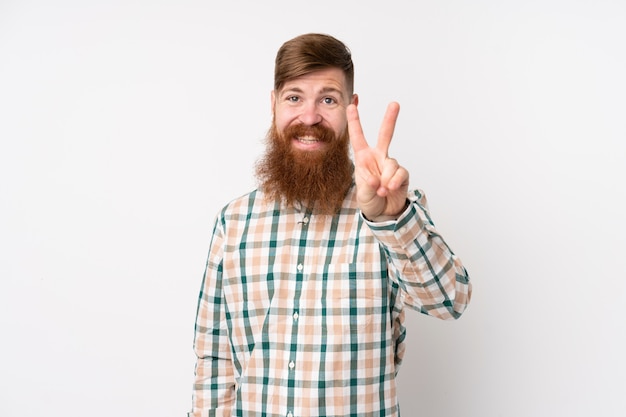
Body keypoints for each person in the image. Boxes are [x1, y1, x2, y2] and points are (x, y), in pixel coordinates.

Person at [187, 33, 472, 417]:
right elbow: (214, 360)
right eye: (294, 97)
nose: (309, 117)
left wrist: (389, 218)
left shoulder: (393, 211)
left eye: (328, 99)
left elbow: (449, 301)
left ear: (351, 107)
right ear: (273, 105)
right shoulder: (234, 221)